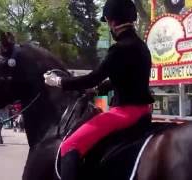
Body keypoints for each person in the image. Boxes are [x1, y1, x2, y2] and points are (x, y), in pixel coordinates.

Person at [43, 0, 154, 179]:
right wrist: (96, 91)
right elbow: (125, 79)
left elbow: (92, 78)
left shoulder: (119, 49)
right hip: (144, 112)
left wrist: (59, 82)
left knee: (69, 145)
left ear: (112, 22)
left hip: (125, 113)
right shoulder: (142, 47)